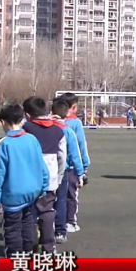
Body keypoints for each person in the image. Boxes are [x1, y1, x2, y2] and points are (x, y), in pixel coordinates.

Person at [0, 104, 49, 258]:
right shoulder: (32, 139)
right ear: (22, 120)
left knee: (12, 228)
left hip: (13, 195)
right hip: (33, 191)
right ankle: (28, 250)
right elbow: (42, 166)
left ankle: (15, 255)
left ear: (3, 122)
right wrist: (44, 186)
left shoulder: (4, 143)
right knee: (28, 221)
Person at [21, 97, 68, 249]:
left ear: (27, 115)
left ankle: (29, 245)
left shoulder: (25, 130)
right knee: (47, 212)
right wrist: (58, 177)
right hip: (50, 180)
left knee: (28, 214)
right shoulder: (58, 131)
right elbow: (62, 157)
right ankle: (49, 246)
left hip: (28, 181)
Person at [52, 98, 85, 237]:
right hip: (63, 170)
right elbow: (76, 153)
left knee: (46, 200)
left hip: (45, 170)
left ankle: (45, 228)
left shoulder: (44, 128)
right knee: (61, 199)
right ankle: (61, 229)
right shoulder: (67, 130)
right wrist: (81, 172)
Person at [60, 93, 91, 185]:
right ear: (74, 107)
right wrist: (85, 164)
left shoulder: (53, 121)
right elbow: (81, 144)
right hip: (71, 167)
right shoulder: (75, 122)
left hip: (55, 166)